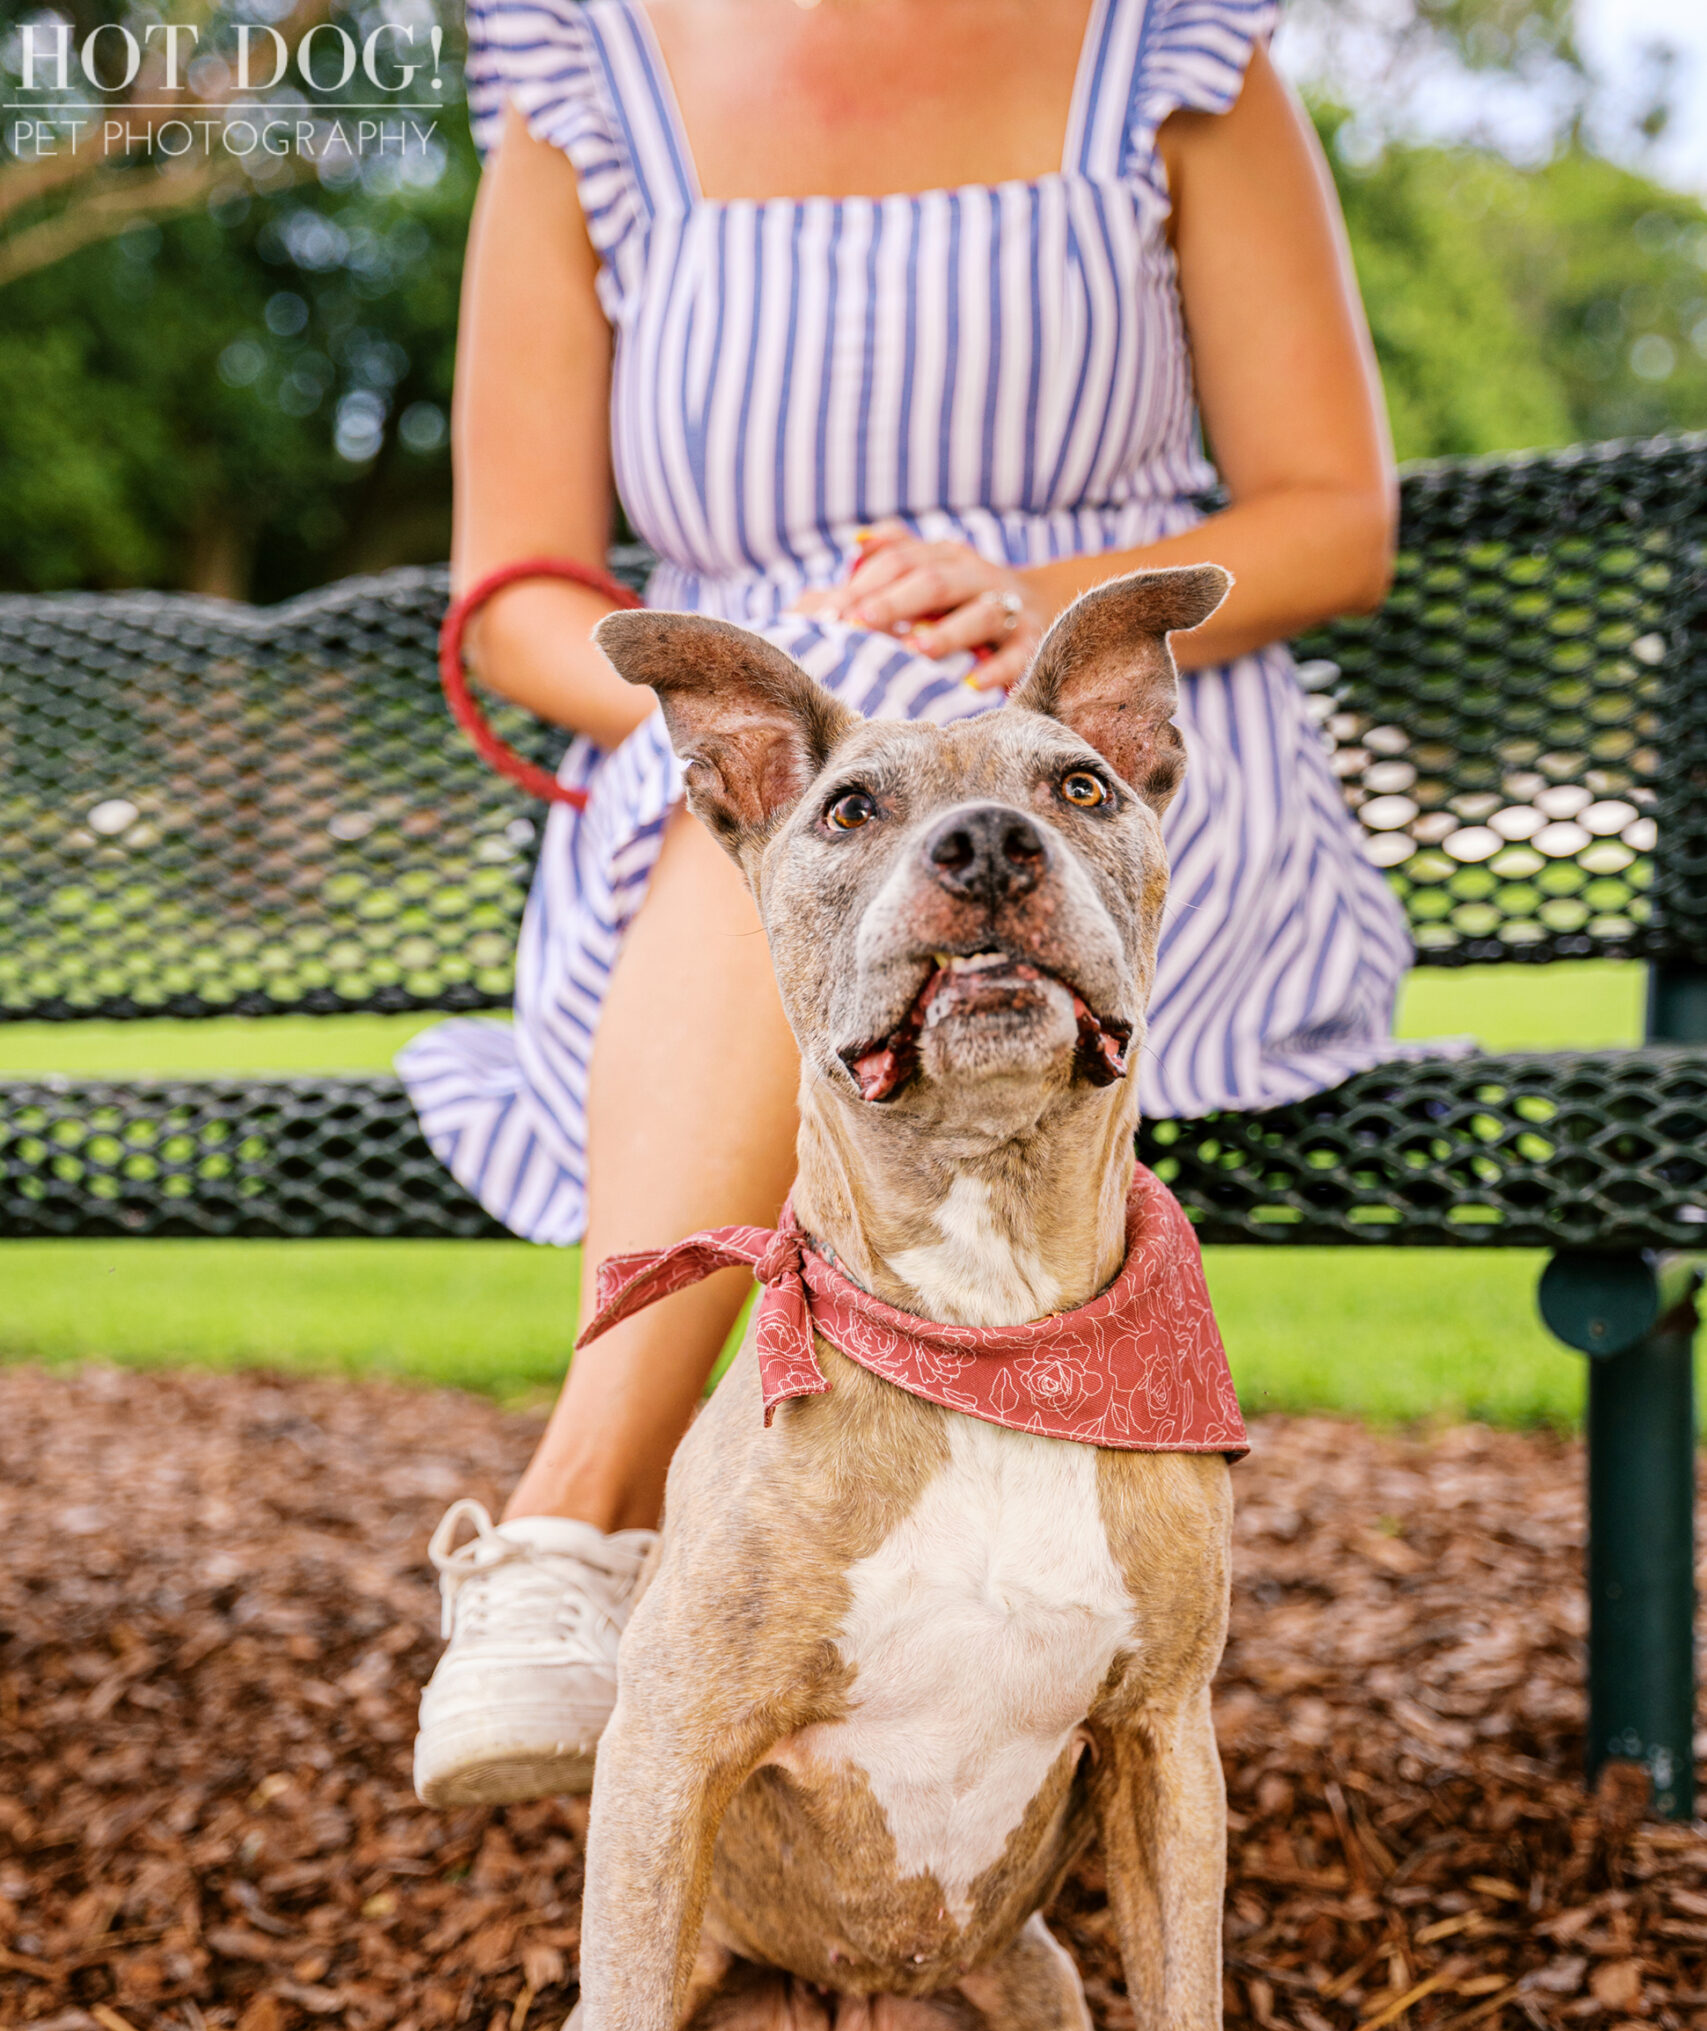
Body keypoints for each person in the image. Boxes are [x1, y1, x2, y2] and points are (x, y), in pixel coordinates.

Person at [398, 0, 1410, 1809]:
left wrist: (1040, 599)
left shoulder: (1169, 51)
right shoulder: (585, 78)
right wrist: (749, 712)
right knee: (828, 791)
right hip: (726, 803)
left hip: (1113, 773)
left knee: (887, 764)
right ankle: (648, 1548)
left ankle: (572, 1526)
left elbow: (1335, 512)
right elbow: (515, 592)